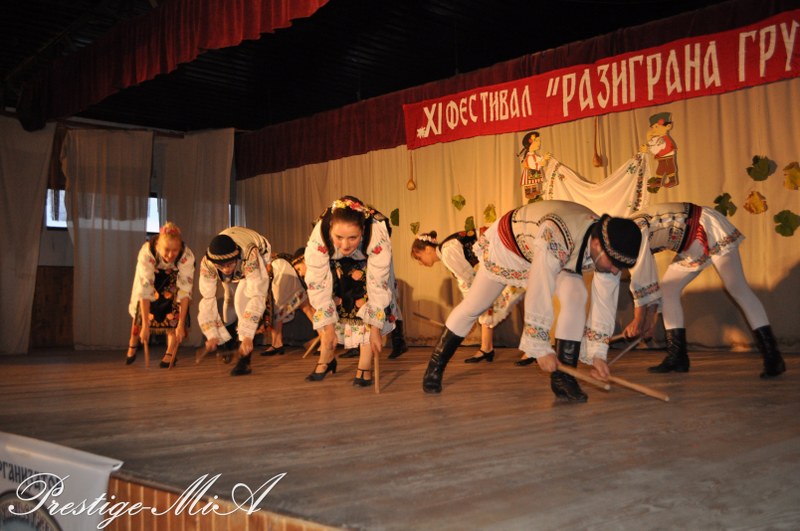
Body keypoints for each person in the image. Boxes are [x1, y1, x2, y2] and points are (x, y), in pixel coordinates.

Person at [421, 200, 645, 402]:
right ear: (597, 246)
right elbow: (540, 288)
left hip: (554, 256)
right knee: (474, 306)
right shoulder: (556, 234)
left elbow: (605, 302)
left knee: (576, 295)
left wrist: (598, 355)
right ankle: (435, 366)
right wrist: (540, 347)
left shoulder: (609, 247)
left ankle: (563, 379)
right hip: (509, 248)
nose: (616, 271)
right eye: (614, 264)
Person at [625, 202, 786, 379]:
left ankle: (773, 357)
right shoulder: (627, 233)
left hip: (705, 226)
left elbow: (641, 278)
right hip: (690, 241)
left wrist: (639, 320)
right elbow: (647, 276)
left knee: (736, 287)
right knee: (668, 289)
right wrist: (648, 319)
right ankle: (677, 357)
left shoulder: (633, 232)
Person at [303, 196, 397, 387]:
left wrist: (376, 329)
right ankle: (327, 357)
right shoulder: (319, 236)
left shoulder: (376, 236)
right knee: (337, 305)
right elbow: (317, 283)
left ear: (362, 231)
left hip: (369, 267)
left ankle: (365, 365)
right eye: (339, 237)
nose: (345, 245)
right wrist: (328, 329)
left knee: (365, 306)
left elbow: (378, 286)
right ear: (330, 229)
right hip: (336, 267)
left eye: (352, 237)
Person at [411, 228, 525, 363]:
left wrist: (468, 316)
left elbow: (469, 280)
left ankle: (534, 349)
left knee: (515, 291)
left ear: (427, 250)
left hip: (501, 250)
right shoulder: (446, 251)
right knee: (486, 302)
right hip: (495, 254)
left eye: (419, 258)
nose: (420, 263)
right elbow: (468, 283)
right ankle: (487, 348)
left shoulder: (447, 252)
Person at [198, 227, 272, 376]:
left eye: (230, 264)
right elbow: (207, 299)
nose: (226, 269)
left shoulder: (249, 254)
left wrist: (248, 336)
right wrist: (211, 334)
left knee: (240, 301)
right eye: (221, 266)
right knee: (229, 300)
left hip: (260, 252)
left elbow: (257, 295)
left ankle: (245, 360)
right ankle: (229, 341)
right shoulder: (208, 263)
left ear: (236, 257)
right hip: (237, 254)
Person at [126, 221, 195, 368]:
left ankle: (170, 351)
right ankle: (133, 341)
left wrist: (181, 325)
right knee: (140, 311)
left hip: (173, 278)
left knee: (173, 312)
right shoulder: (147, 252)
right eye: (167, 250)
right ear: (158, 246)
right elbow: (145, 291)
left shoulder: (187, 256)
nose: (170, 255)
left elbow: (185, 291)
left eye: (175, 250)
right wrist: (145, 326)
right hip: (151, 276)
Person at [261, 251, 315, 356]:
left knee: (277, 306)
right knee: (303, 304)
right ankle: (277, 343)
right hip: (281, 269)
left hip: (280, 270)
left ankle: (324, 333)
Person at [518, 131, 552, 202]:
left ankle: (536, 193)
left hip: (535, 174)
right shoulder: (529, 157)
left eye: (539, 141)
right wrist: (542, 160)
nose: (539, 143)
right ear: (530, 142)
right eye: (536, 141)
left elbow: (540, 161)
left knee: (536, 183)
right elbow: (534, 166)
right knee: (531, 184)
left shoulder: (534, 156)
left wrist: (544, 159)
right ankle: (531, 194)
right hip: (531, 173)